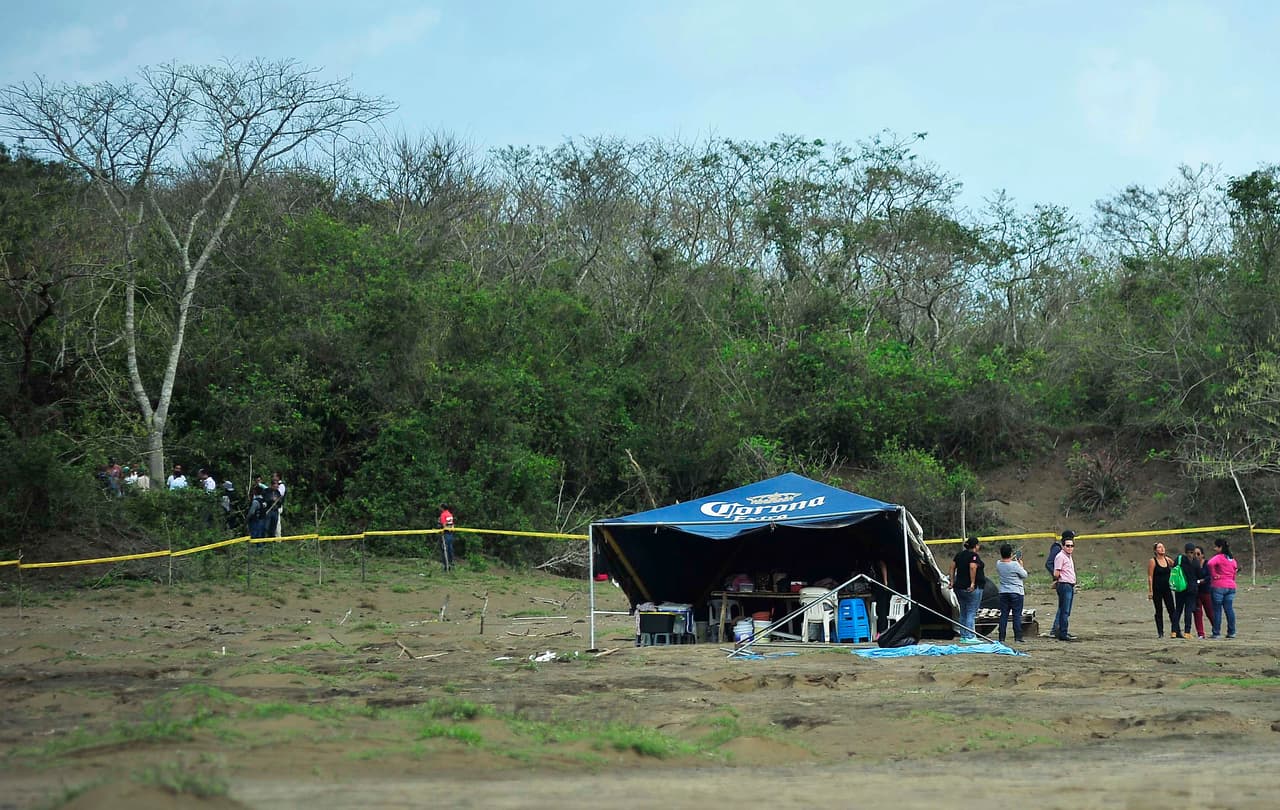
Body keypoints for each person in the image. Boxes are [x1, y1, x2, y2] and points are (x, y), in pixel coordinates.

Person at [948, 536, 985, 643]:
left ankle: (963, 635)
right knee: (971, 612)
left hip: (959, 587)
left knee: (963, 611)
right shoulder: (973, 556)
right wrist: (972, 583)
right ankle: (970, 636)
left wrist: (952, 581)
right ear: (976, 546)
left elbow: (952, 567)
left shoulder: (959, 555)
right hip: (971, 589)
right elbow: (973, 567)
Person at [1147, 542, 1181, 639]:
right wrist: (1150, 591)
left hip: (1167, 589)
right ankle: (1160, 632)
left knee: (1172, 610)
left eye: (1163, 547)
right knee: (1159, 611)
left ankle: (1176, 631)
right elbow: (1150, 577)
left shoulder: (1167, 560)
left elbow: (1177, 567)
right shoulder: (1153, 561)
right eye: (1159, 547)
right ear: (1155, 550)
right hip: (1157, 589)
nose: (1162, 549)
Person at [1206, 540, 1239, 639]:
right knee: (1229, 609)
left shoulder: (1219, 557)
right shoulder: (1232, 559)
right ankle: (1232, 632)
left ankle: (1216, 633)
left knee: (1217, 610)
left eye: (1216, 547)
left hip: (1219, 585)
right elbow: (1235, 571)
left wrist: (1214, 574)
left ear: (1220, 547)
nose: (1214, 549)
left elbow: (1210, 563)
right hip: (1231, 586)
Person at [995, 543, 1027, 643]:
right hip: (1016, 592)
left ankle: (1001, 637)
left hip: (1003, 592)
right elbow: (1024, 575)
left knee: (1004, 615)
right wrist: (1021, 565)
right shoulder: (1015, 565)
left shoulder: (998, 564)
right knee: (1016, 615)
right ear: (1010, 553)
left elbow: (1005, 562)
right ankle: (1018, 637)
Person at [1052, 530, 1078, 641]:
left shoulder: (1068, 556)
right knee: (1064, 610)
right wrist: (1059, 580)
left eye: (1072, 546)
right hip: (1064, 585)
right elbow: (1056, 573)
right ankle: (1063, 633)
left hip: (1069, 585)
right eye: (1067, 546)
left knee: (1066, 610)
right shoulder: (1060, 556)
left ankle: (1062, 631)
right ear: (1063, 546)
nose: (1070, 548)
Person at [1174, 542, 1203, 639]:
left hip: (1180, 588)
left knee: (1178, 610)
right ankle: (1187, 632)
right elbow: (1200, 575)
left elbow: (1174, 568)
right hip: (1191, 589)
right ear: (1193, 551)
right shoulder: (1195, 562)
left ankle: (1174, 631)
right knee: (1188, 610)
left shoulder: (1179, 559)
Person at [1194, 545, 1213, 638]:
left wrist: (1202, 581)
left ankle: (1216, 629)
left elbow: (1210, 576)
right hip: (1196, 592)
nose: (1196, 556)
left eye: (1198, 554)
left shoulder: (1207, 564)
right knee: (1197, 613)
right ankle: (1200, 633)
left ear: (1202, 555)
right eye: (1194, 554)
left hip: (1206, 591)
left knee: (1210, 612)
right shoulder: (1192, 565)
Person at [438, 503, 456, 571]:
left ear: (442, 508)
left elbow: (444, 525)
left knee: (445, 549)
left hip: (445, 534)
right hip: (451, 533)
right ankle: (451, 563)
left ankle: (446, 566)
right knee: (450, 549)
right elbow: (452, 524)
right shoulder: (450, 514)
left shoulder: (443, 515)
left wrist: (442, 528)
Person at [271, 472, 287, 537]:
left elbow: (279, 495)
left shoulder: (281, 485)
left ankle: (278, 538)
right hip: (273, 507)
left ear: (278, 477)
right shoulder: (274, 484)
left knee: (277, 523)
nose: (273, 478)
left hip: (278, 506)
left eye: (274, 476)